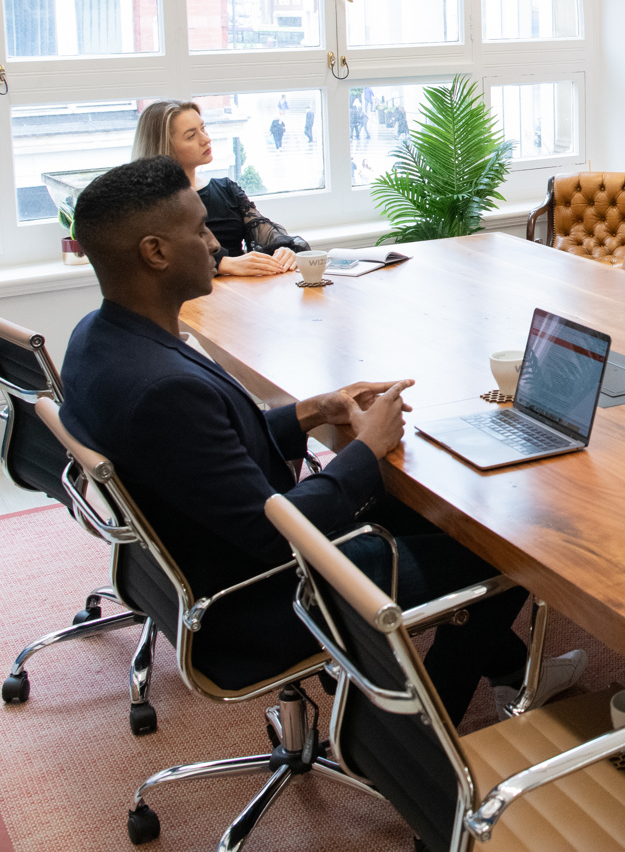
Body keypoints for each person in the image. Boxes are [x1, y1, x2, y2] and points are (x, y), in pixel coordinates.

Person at [61, 156, 584, 716]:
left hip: (206, 564)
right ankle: (422, 733)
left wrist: (314, 410)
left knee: (448, 513)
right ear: (155, 252)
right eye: (199, 229)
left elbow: (210, 450)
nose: (215, 243)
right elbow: (274, 532)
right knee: (506, 547)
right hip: (267, 597)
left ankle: (500, 672)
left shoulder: (98, 339)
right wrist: (365, 448)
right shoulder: (163, 389)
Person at [134, 100, 303, 277]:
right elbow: (167, 258)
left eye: (203, 128)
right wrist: (223, 263)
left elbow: (266, 234)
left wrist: (284, 251)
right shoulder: (150, 203)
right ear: (165, 148)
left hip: (241, 295)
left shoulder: (226, 188)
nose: (206, 139)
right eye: (191, 136)